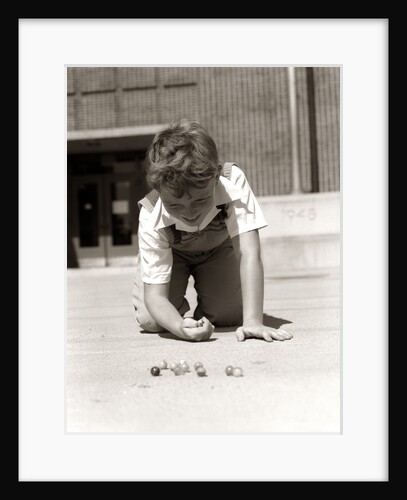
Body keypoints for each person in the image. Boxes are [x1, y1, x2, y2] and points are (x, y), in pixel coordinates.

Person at [132, 118, 293, 343]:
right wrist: (180, 327)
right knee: (152, 320)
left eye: (200, 201)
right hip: (172, 255)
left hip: (218, 250)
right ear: (158, 190)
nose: (189, 213)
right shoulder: (151, 211)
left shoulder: (232, 180)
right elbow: (156, 297)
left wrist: (253, 321)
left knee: (229, 316)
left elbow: (248, 253)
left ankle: (211, 306)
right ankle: (180, 312)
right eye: (175, 206)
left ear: (215, 177)